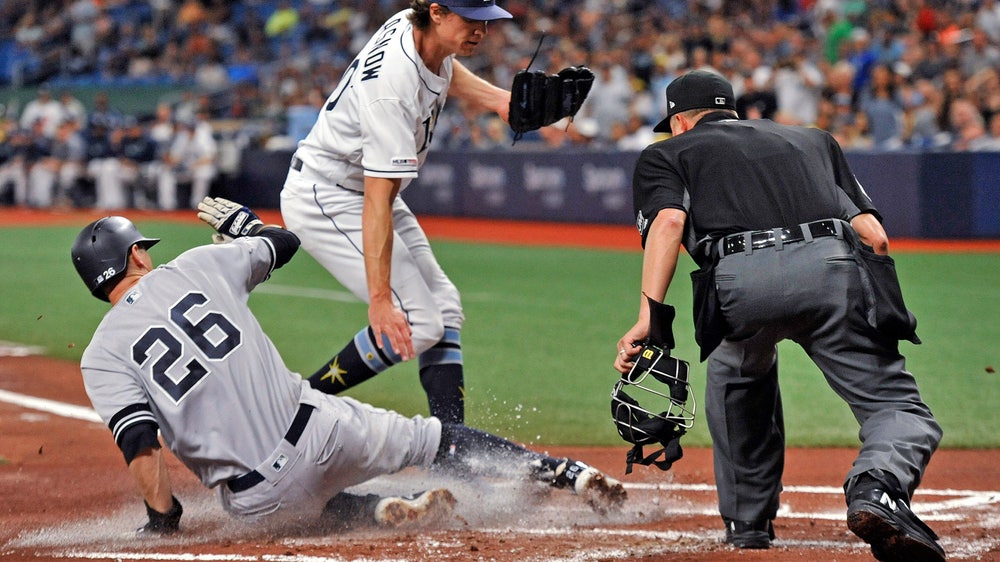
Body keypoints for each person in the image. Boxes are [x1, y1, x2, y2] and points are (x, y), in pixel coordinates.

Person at [71, 199, 625, 534]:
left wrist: (164, 520)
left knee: (312, 511)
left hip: (258, 498)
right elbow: (282, 244)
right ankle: (564, 472)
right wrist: (245, 227)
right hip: (324, 431)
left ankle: (386, 509)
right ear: (136, 255)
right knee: (434, 440)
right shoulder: (196, 265)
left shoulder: (100, 356)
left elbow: (141, 447)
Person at [613, 70, 944, 561]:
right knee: (894, 406)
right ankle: (878, 486)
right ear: (734, 109)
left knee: (737, 374)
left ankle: (748, 523)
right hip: (831, 271)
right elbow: (875, 237)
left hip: (739, 283)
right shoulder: (813, 140)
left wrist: (649, 316)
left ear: (679, 121)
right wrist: (878, 307)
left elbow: (669, 220)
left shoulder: (666, 152)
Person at [280, 0, 517, 426]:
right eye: (472, 20)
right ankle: (294, 408)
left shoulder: (414, 28)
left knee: (444, 308)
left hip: (357, 187)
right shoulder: (393, 84)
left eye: (487, 21)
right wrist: (379, 300)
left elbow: (443, 70)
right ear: (438, 12)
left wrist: (501, 99)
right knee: (417, 324)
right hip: (328, 195)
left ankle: (453, 443)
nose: (482, 30)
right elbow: (376, 199)